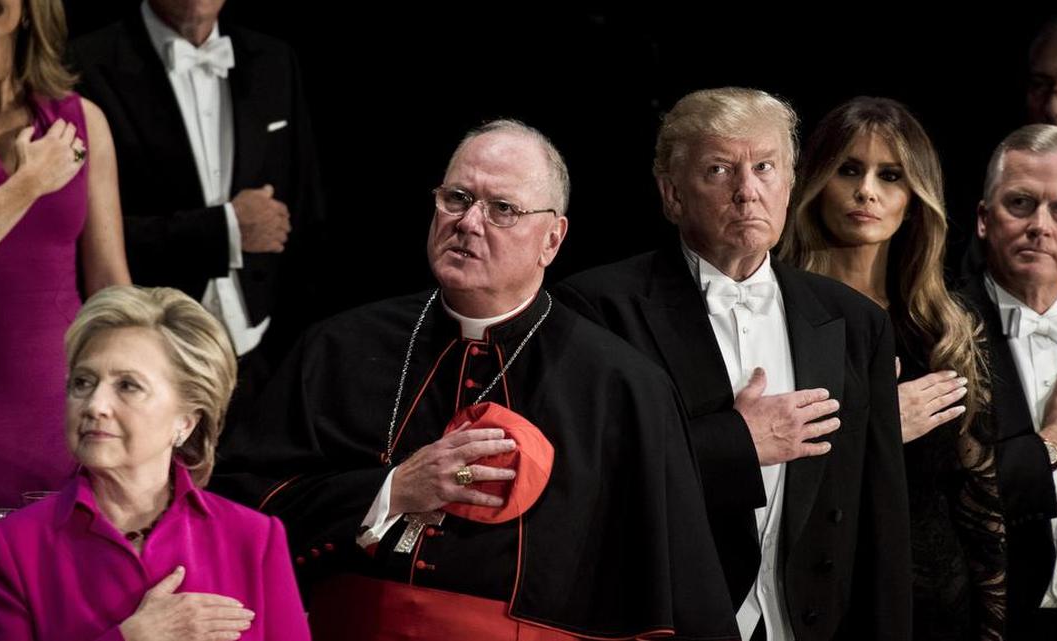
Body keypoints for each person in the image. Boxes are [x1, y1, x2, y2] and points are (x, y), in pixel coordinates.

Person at [213, 119, 738, 640]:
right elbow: (235, 507)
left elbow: (684, 598)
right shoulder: (337, 347)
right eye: (457, 197)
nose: (468, 222)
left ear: (552, 239)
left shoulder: (624, 387)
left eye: (502, 209)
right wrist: (391, 490)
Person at [555, 88, 911, 641]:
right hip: (669, 622)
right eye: (720, 170)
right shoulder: (597, 310)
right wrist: (733, 444)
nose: (748, 192)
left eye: (765, 168)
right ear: (672, 195)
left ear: (790, 186)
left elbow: (882, 522)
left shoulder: (855, 322)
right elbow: (583, 482)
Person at [778, 96, 1004, 640]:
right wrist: (878, 426)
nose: (867, 191)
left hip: (933, 601)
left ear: (915, 196)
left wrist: (995, 623)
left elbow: (979, 497)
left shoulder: (948, 326)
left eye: (891, 175)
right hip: (816, 601)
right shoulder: (774, 314)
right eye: (849, 170)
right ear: (814, 182)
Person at [0, 286, 310, 640]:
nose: (94, 405)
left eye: (128, 386)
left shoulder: (254, 538)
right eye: (83, 382)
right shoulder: (13, 545)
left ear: (186, 421)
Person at [71, 0, 328, 416]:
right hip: (143, 358)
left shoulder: (275, 60)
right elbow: (74, 235)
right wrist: (222, 228)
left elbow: (308, 212)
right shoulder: (83, 64)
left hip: (261, 362)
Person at [0, 0, 129, 536]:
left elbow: (111, 287)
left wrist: (142, 411)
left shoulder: (81, 120)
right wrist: (28, 183)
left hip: (63, 424)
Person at [963, 124, 1057, 640]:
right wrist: (1054, 446)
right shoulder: (935, 330)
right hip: (984, 620)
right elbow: (947, 497)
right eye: (1021, 203)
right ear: (984, 220)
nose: (1041, 225)